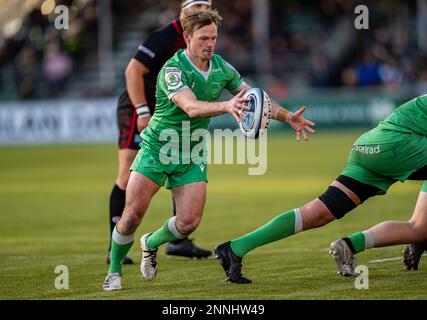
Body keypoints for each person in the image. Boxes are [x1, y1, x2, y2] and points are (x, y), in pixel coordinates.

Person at [102, 9, 315, 291]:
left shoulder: (223, 68)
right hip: (157, 148)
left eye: (214, 37)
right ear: (187, 38)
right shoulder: (173, 69)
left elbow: (254, 98)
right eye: (204, 38)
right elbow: (190, 107)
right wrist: (227, 106)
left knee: (188, 222)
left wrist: (288, 116)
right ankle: (114, 271)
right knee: (131, 216)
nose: (210, 44)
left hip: (191, 153)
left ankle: (150, 242)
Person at [215, 95, 427, 283]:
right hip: (396, 145)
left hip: (369, 147)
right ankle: (418, 238)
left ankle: (235, 249)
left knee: (317, 214)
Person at [106, 0, 213, 265]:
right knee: (127, 171)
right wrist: (142, 110)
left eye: (206, 4)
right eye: (195, 4)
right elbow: (133, 71)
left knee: (182, 161)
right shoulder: (165, 36)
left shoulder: (203, 37)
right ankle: (114, 246)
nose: (200, 8)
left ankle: (178, 241)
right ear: (182, 8)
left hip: (169, 110)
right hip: (139, 106)